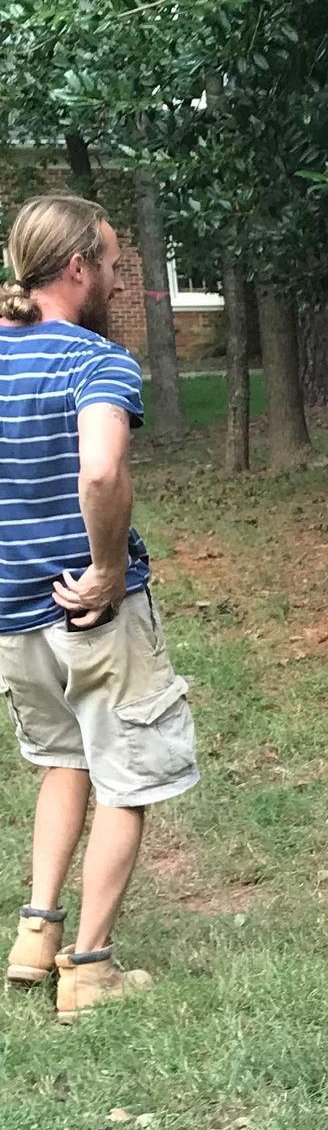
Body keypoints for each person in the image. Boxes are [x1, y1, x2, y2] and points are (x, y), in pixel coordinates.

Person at [0, 194, 197, 1019]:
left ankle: (34, 936)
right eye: (114, 264)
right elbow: (102, 474)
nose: (118, 281)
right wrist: (110, 569)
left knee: (62, 763)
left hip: (11, 613)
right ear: (77, 267)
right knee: (126, 777)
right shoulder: (96, 362)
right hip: (90, 611)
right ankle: (91, 968)